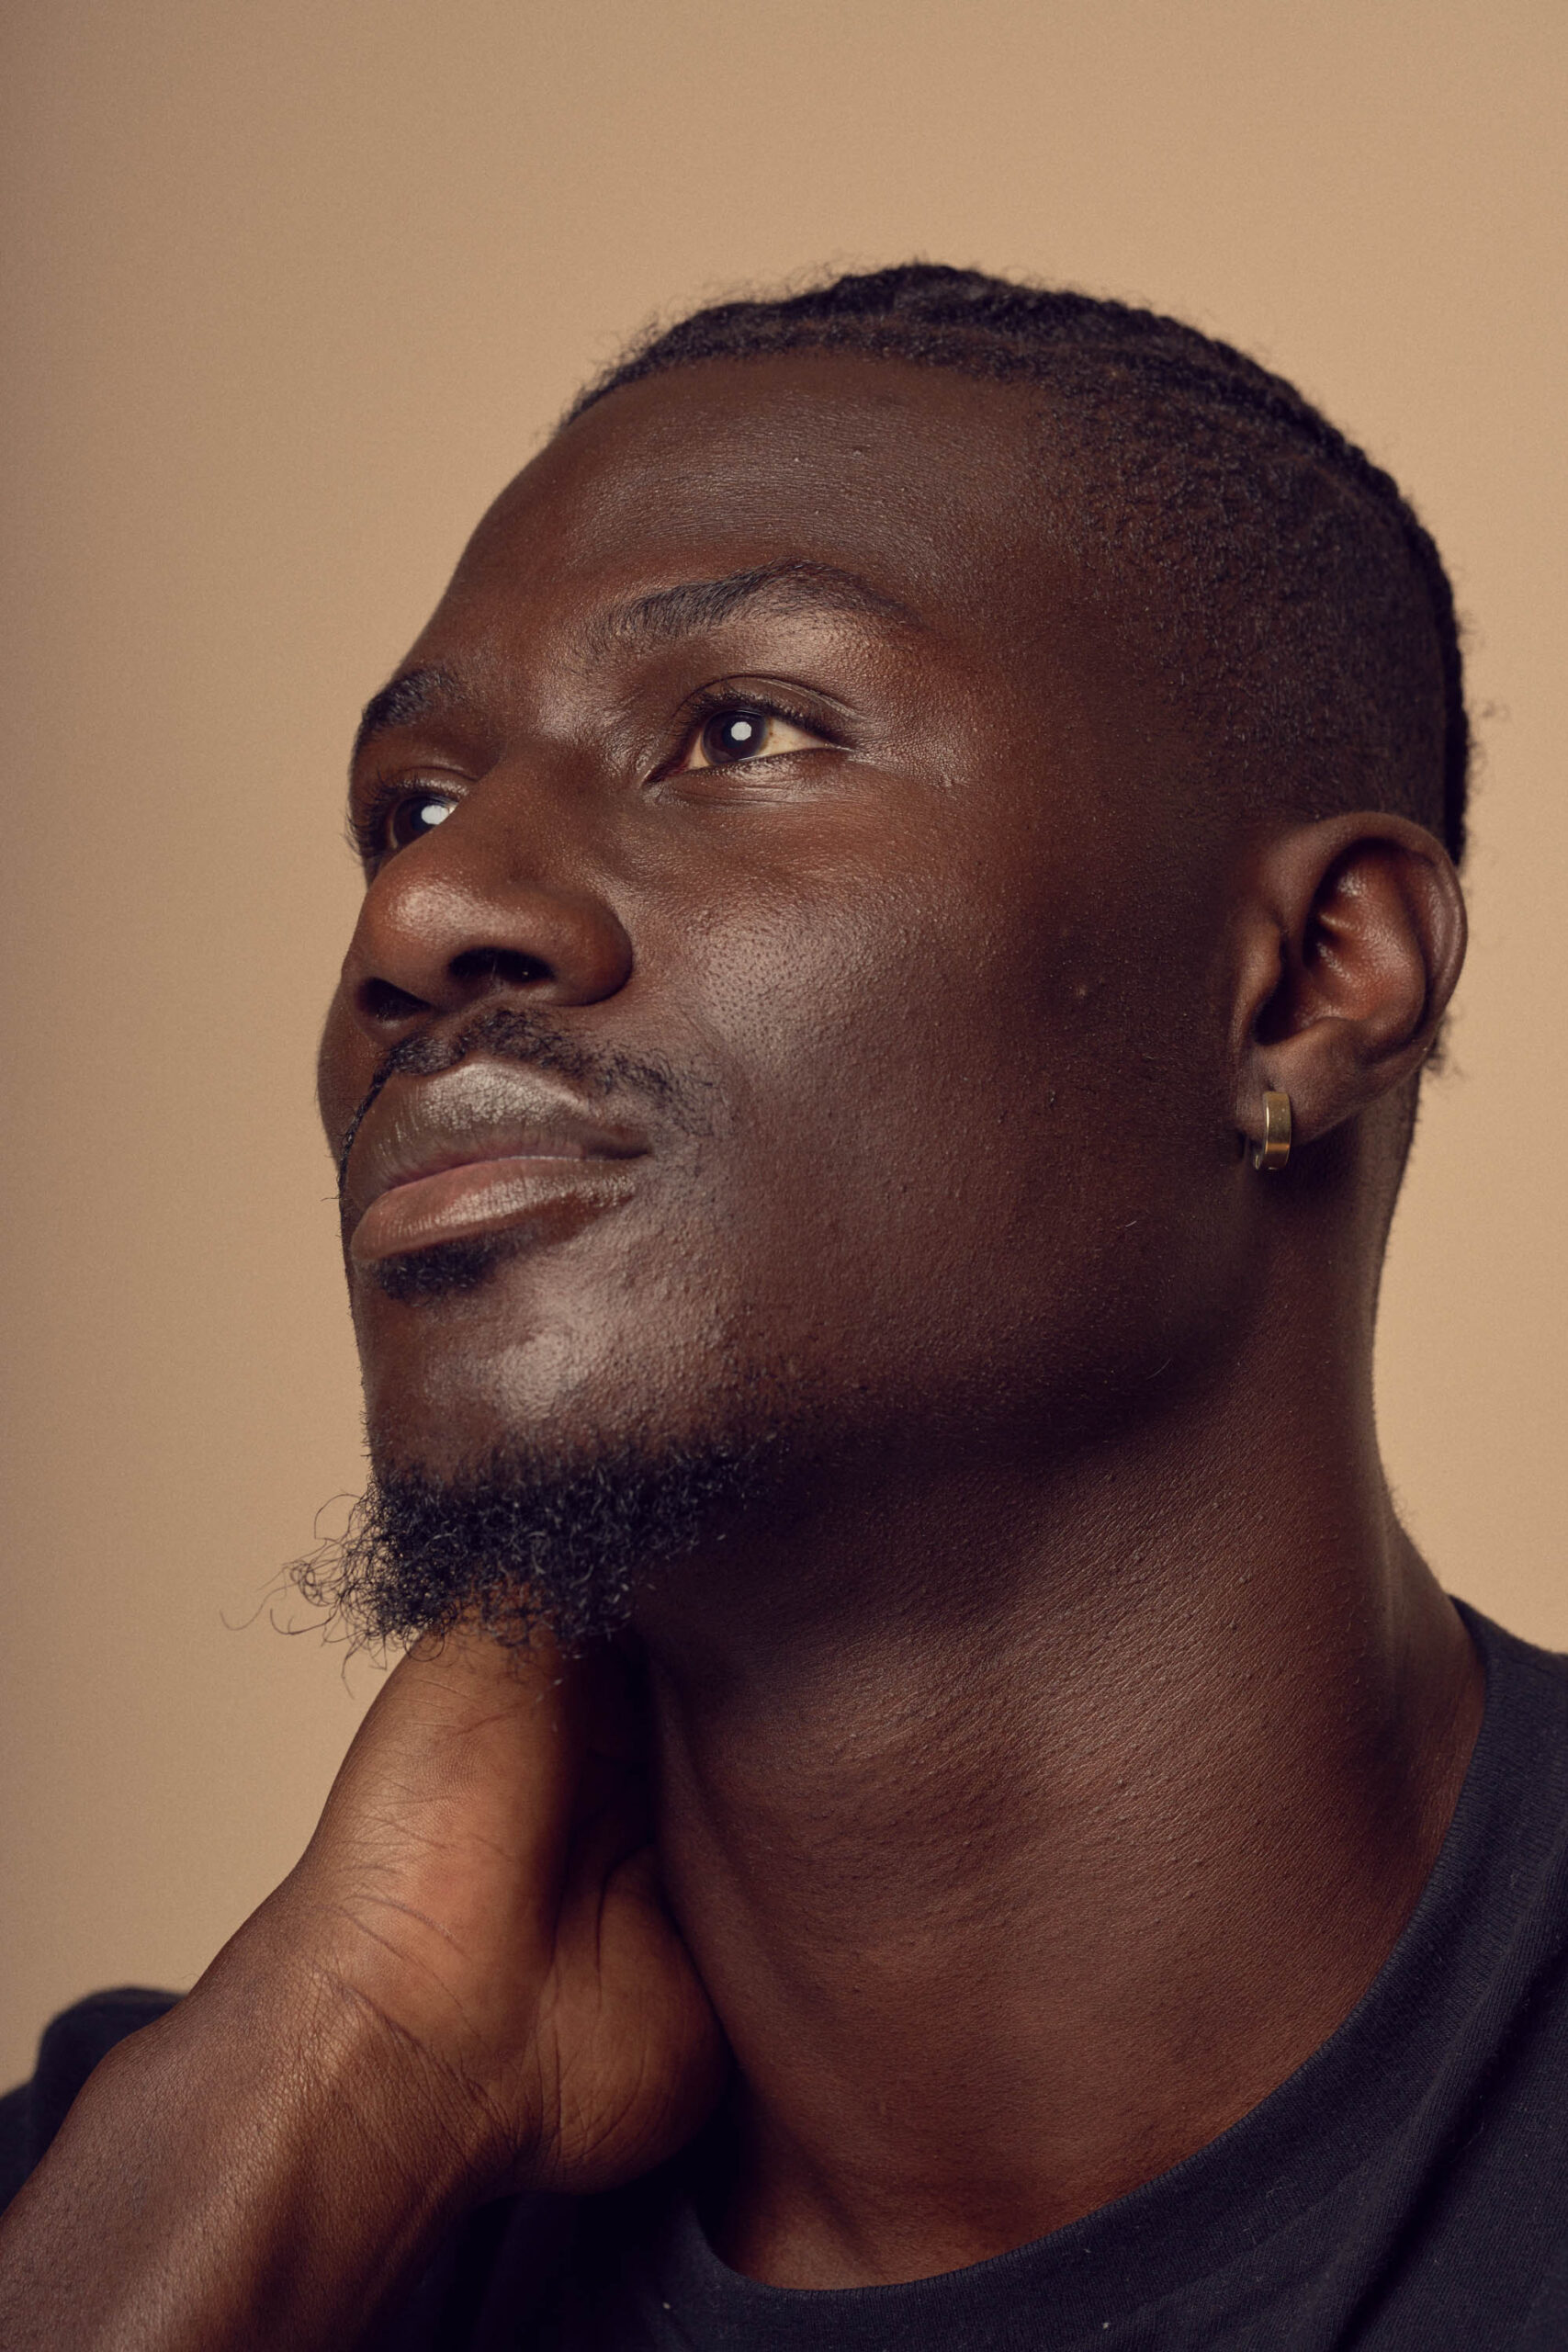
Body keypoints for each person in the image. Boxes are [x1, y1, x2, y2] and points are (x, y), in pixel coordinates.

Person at [1, 264, 1563, 2351]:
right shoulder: (182, 2176)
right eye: (416, 805)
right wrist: (342, 2048)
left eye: (737, 731)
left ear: (1304, 982)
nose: (422, 910)